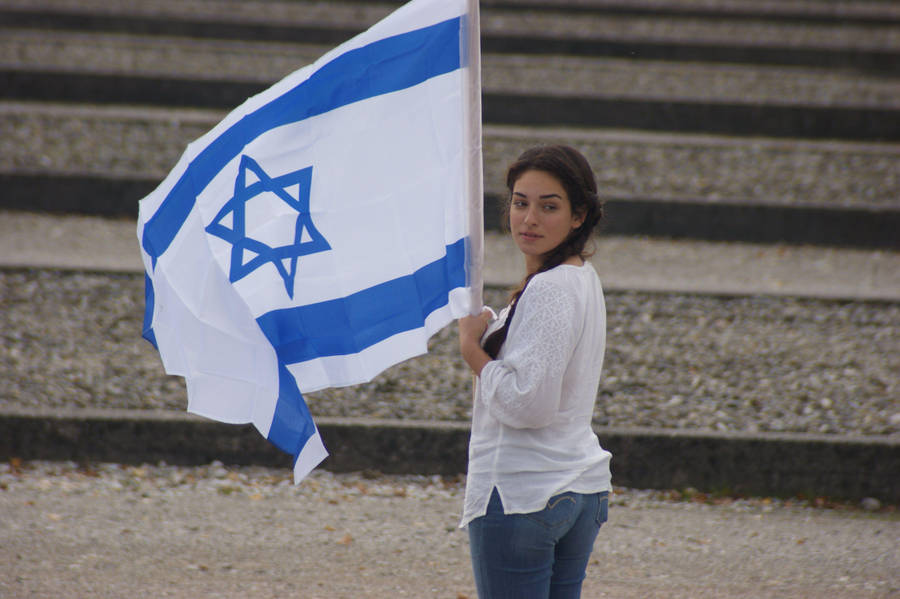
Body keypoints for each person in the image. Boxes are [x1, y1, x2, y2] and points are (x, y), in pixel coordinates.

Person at [457, 144, 611, 599]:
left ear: (578, 216)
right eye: (521, 203)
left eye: (549, 207)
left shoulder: (550, 288)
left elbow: (529, 405)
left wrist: (472, 350)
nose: (529, 219)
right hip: (577, 486)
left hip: (524, 492)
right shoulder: (582, 276)